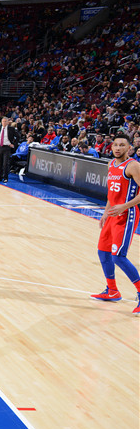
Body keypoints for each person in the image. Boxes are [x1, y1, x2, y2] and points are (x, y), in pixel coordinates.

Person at [90, 132, 140, 314]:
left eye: (122, 145)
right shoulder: (111, 164)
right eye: (115, 145)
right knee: (103, 252)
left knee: (118, 256)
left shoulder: (133, 166)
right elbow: (112, 193)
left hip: (127, 214)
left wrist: (124, 206)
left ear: (129, 148)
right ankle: (112, 290)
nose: (118, 148)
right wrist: (106, 212)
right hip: (112, 214)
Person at [0, 116, 18, 183]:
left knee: (5, 163)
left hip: (7, 147)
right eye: (3, 121)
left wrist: (14, 144)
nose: (4, 123)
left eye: (5, 121)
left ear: (8, 122)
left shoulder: (11, 129)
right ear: (1, 122)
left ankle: (5, 177)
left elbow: (18, 136)